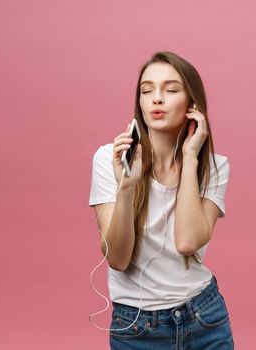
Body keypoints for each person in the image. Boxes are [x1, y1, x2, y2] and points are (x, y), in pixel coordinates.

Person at [89, 51, 234, 349]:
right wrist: (126, 187)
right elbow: (116, 259)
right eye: (146, 90)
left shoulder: (215, 166)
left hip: (204, 317)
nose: (156, 98)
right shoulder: (109, 159)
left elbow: (187, 242)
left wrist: (191, 159)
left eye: (170, 90)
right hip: (137, 327)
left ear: (192, 104)